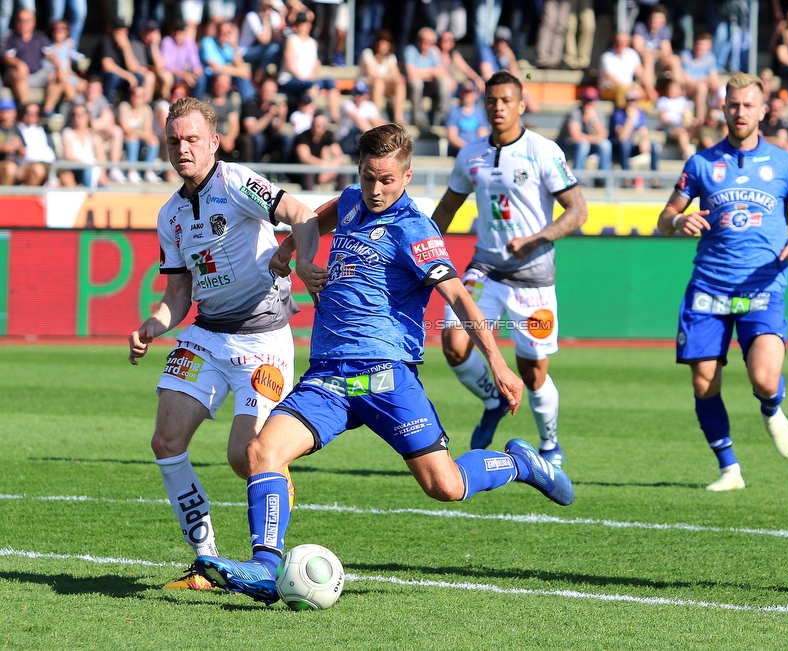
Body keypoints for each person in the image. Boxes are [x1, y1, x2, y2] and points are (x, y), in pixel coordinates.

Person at [193, 122, 574, 602]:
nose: (376, 189)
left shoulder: (415, 229)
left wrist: (498, 364)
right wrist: (292, 247)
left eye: (387, 180)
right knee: (260, 453)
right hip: (330, 378)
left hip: (386, 378)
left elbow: (457, 295)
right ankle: (264, 567)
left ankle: (519, 462)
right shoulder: (354, 199)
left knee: (445, 486)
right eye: (369, 176)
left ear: (407, 175)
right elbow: (318, 215)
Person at [128, 96, 318, 592]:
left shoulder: (236, 183)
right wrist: (153, 324)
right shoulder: (170, 215)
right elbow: (177, 294)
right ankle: (206, 562)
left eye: (192, 139)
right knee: (166, 440)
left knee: (246, 456)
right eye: (174, 141)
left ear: (214, 141)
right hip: (208, 334)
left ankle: (271, 503)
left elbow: (302, 213)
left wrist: (300, 260)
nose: (183, 148)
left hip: (264, 340)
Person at [655, 72, 788, 491]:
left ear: (764, 111)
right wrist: (679, 219)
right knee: (703, 381)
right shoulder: (701, 163)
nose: (740, 112)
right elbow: (663, 219)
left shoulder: (785, 163)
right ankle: (729, 468)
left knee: (765, 378)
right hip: (709, 284)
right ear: (723, 108)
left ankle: (771, 406)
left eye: (749, 105)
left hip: (763, 284)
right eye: (733, 105)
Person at [432, 71, 589, 467]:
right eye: (492, 101)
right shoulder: (471, 155)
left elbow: (578, 211)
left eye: (506, 101)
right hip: (484, 267)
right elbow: (447, 209)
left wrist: (537, 238)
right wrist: (423, 249)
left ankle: (550, 443)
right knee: (452, 343)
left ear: (521, 105)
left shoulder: (543, 151)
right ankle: (492, 398)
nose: (498, 107)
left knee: (532, 373)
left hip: (533, 273)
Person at [1, 8, 56, 108]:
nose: (23, 23)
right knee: (18, 74)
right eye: (20, 20)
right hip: (15, 75)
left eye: (27, 20)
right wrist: (19, 64)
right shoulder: (10, 37)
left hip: (37, 74)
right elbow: (6, 57)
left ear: (33, 22)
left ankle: (48, 111)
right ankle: (25, 109)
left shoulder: (39, 37)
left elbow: (51, 55)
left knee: (57, 77)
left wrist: (60, 68)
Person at [557, 85, 612, 179]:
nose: (588, 103)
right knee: (583, 144)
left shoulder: (598, 113)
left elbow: (603, 135)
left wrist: (594, 120)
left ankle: (603, 179)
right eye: (586, 99)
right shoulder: (575, 112)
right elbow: (575, 136)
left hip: (589, 144)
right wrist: (595, 139)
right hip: (567, 145)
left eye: (591, 100)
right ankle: (578, 178)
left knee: (605, 144)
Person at [404, 26, 452, 129]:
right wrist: (431, 71)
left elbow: (440, 72)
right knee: (416, 83)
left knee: (444, 82)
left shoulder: (433, 52)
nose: (425, 43)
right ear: (418, 40)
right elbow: (410, 73)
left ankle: (442, 116)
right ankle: (417, 116)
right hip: (412, 88)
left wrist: (422, 73)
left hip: (429, 86)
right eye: (422, 40)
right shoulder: (410, 50)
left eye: (429, 41)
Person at [358, 29, 406, 124]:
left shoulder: (391, 57)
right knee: (378, 83)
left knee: (400, 84)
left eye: (384, 42)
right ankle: (376, 117)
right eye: (380, 41)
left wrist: (396, 78)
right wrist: (389, 77)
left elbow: (396, 75)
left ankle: (398, 117)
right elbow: (371, 74)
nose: (381, 44)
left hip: (382, 86)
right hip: (366, 87)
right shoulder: (367, 53)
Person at [118, 85, 161, 183]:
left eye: (140, 95)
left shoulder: (146, 109)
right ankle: (131, 171)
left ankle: (148, 171)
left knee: (153, 140)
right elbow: (126, 129)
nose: (136, 97)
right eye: (134, 94)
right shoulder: (124, 107)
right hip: (126, 139)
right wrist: (143, 135)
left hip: (140, 138)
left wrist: (147, 136)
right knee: (132, 139)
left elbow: (148, 129)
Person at [292, 110, 341, 190]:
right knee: (309, 172)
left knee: (342, 171)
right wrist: (324, 166)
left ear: (325, 126)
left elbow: (338, 156)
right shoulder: (303, 137)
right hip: (305, 171)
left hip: (323, 169)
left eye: (319, 125)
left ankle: (343, 199)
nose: (316, 127)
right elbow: (305, 158)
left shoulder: (328, 135)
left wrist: (329, 169)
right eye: (314, 124)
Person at [445, 79, 490, 156]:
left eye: (469, 93)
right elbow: (452, 136)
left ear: (475, 95)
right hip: (457, 152)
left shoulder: (480, 111)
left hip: (476, 151)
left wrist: (475, 148)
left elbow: (482, 134)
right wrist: (467, 147)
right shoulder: (454, 111)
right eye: (465, 92)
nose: (467, 96)